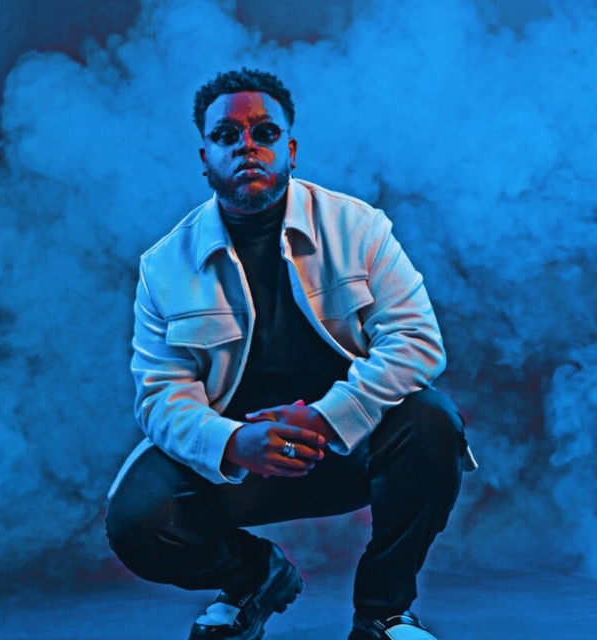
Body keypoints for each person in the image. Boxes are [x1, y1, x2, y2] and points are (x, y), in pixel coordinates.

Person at [105, 68, 475, 640]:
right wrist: (233, 442)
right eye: (226, 136)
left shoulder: (358, 227)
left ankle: (383, 612)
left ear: (291, 149)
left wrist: (327, 419)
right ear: (204, 157)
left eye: (264, 133)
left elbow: (417, 341)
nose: (246, 146)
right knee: (137, 518)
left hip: (349, 445)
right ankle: (253, 578)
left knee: (432, 422)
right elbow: (160, 398)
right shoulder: (164, 266)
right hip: (239, 465)